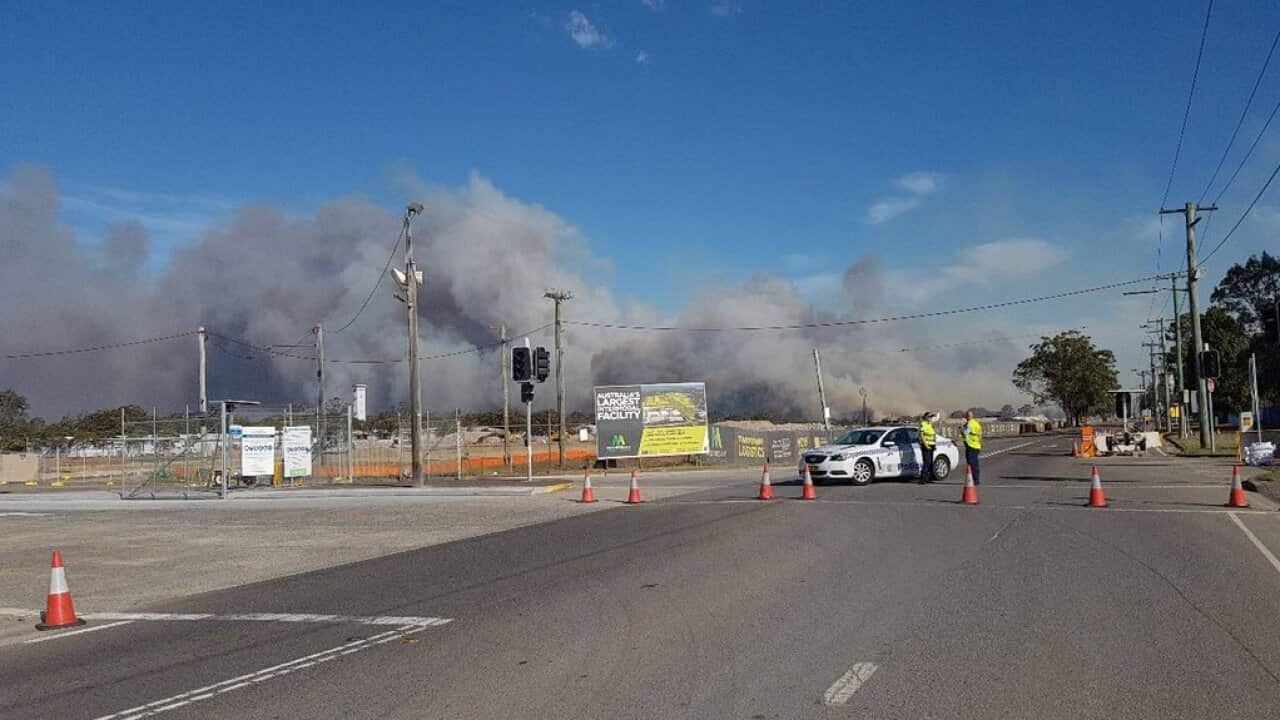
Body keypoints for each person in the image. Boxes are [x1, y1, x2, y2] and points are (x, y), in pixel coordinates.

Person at [964, 410, 982, 485]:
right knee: (975, 464)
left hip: (970, 446)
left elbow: (965, 433)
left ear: (967, 417)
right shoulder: (976, 423)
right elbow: (980, 435)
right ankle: (976, 479)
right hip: (977, 445)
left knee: (971, 464)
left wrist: (961, 430)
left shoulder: (969, 424)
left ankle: (974, 480)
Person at [918, 412, 937, 484]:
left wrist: (934, 445)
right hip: (926, 445)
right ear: (926, 417)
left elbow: (933, 435)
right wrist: (926, 445)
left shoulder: (930, 425)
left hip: (931, 445)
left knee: (930, 462)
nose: (931, 418)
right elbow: (921, 435)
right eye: (929, 416)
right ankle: (922, 478)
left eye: (931, 417)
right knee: (927, 461)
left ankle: (929, 478)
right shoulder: (923, 424)